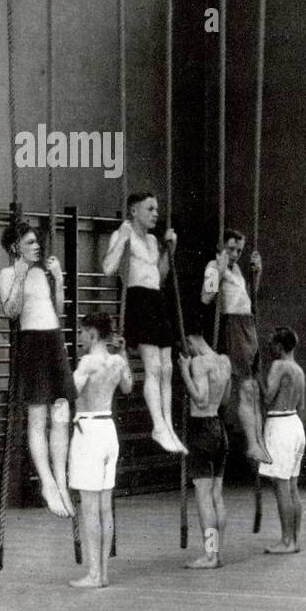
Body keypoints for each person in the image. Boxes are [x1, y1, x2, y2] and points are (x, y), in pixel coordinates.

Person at [0, 221, 76, 518]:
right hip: (32, 343)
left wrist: (59, 279)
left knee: (61, 415)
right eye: (30, 243)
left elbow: (58, 309)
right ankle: (47, 484)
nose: (37, 246)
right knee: (37, 416)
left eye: (36, 242)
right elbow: (11, 312)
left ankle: (61, 481)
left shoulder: (43, 273)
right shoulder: (6, 274)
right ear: (16, 246)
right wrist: (18, 278)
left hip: (53, 340)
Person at [103, 192, 185, 455]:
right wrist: (123, 239)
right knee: (154, 367)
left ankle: (167, 426)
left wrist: (168, 251)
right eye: (150, 208)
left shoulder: (151, 240)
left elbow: (159, 277)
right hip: (138, 300)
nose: (155, 213)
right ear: (134, 211)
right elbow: (108, 268)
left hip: (156, 299)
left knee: (168, 368)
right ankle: (158, 425)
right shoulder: (121, 234)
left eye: (157, 208)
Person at [67, 312, 132, 588]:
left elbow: (69, 391)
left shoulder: (88, 362)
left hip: (89, 432)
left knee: (90, 508)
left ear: (93, 333)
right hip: (108, 431)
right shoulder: (117, 361)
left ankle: (94, 574)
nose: (79, 337)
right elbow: (128, 386)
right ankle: (102, 573)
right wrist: (125, 352)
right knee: (105, 507)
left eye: (82, 332)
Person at [200, 228, 269, 464]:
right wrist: (218, 273)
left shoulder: (237, 267)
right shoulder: (213, 265)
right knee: (246, 388)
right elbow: (206, 297)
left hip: (247, 323)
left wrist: (256, 273)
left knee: (253, 388)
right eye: (231, 249)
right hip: (233, 325)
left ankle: (258, 442)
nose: (236, 254)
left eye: (239, 250)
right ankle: (252, 444)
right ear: (221, 246)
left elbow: (247, 297)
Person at [178, 333, 232, 569]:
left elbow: (200, 399)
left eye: (186, 346)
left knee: (203, 497)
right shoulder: (224, 361)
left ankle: (210, 555)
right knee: (216, 495)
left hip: (202, 429)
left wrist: (185, 373)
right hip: (219, 428)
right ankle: (216, 553)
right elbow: (225, 399)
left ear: (191, 341)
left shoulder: (199, 363)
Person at [257, 328, 306, 555]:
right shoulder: (299, 371)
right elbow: (301, 407)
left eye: (271, 343)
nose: (269, 348)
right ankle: (294, 540)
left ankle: (286, 541)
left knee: (281, 486)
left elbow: (267, 398)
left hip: (280, 425)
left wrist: (257, 381)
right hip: (295, 425)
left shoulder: (278, 367)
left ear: (280, 346)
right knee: (292, 486)